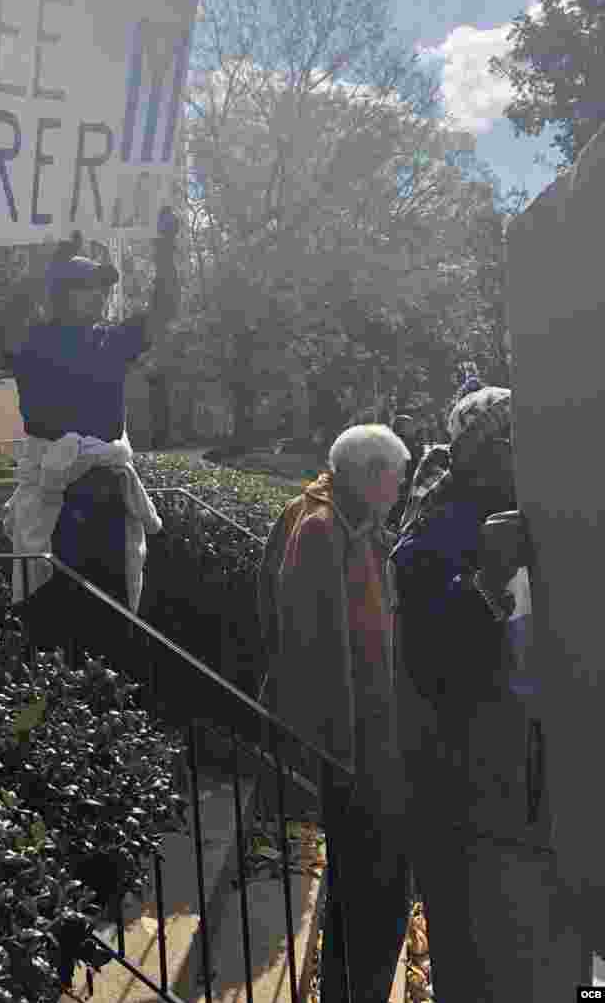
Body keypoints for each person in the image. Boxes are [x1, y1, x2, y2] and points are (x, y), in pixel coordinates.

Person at [391, 383, 568, 1001]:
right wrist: (489, 576)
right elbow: (429, 659)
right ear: (478, 451)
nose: (522, 454)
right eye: (508, 441)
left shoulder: (542, 508)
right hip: (466, 788)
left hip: (537, 782)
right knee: (478, 956)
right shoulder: (436, 526)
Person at [266, 423, 411, 1003]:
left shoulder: (355, 525)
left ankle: (351, 990)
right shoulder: (321, 530)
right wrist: (342, 753)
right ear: (369, 477)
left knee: (371, 886)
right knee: (373, 884)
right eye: (396, 478)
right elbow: (317, 648)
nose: (401, 489)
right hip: (352, 748)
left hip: (375, 741)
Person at [0, 209, 180, 650]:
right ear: (61, 295)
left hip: (105, 496)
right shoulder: (32, 341)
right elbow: (9, 313)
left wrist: (165, 250)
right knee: (52, 614)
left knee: (112, 611)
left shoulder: (110, 340)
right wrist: (52, 256)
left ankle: (111, 701)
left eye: (104, 289)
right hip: (55, 498)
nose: (101, 296)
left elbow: (163, 309)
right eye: (89, 288)